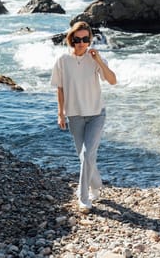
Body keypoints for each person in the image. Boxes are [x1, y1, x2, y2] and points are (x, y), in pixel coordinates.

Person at [51, 21, 117, 213]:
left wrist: (98, 61)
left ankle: (84, 197)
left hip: (96, 114)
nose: (82, 43)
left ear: (90, 39)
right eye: (78, 39)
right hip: (75, 116)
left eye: (85, 39)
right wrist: (60, 113)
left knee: (87, 154)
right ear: (72, 39)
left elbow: (112, 80)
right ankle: (96, 184)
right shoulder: (63, 60)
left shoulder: (94, 58)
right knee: (85, 157)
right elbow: (60, 88)